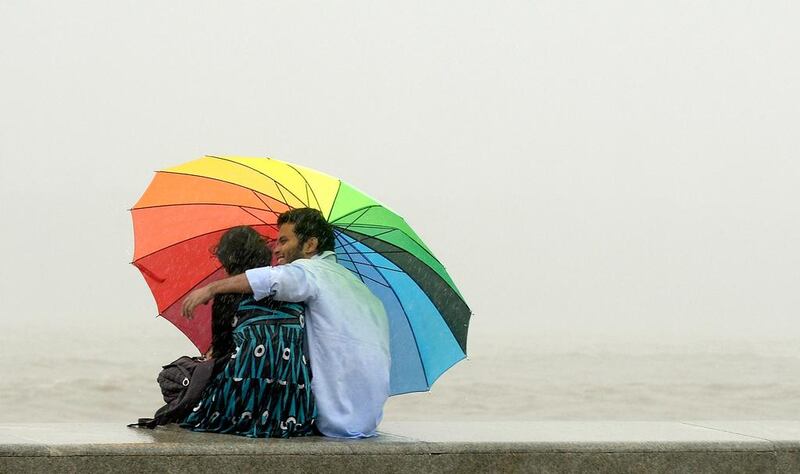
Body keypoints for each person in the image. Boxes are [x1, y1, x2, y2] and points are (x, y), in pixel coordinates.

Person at [183, 208, 391, 438]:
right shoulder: (363, 290)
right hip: (367, 418)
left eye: (284, 240)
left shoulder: (311, 271)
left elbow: (270, 279)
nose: (276, 248)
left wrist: (211, 289)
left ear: (310, 245)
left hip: (332, 416)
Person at [181, 226, 317, 438]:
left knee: (179, 378)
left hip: (243, 399)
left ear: (227, 258)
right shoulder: (288, 288)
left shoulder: (227, 293)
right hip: (292, 404)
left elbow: (223, 351)